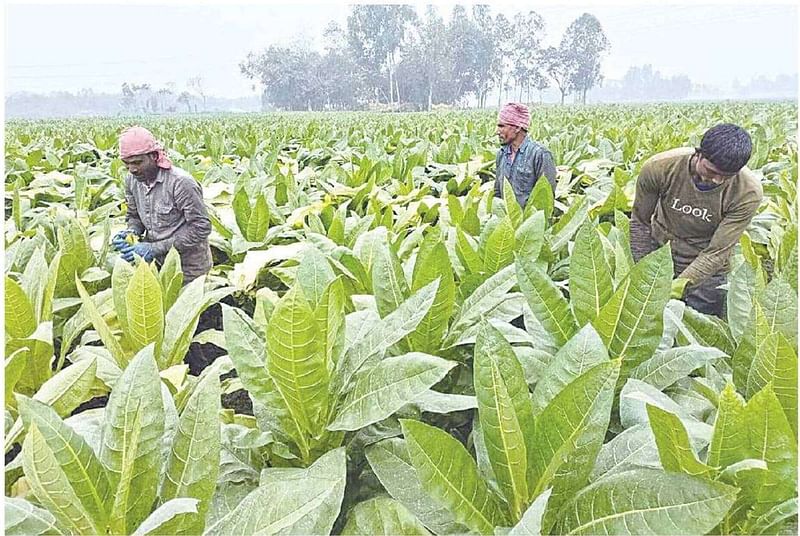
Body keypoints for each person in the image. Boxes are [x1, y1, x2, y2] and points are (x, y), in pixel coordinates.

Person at [630, 123, 763, 317]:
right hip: (659, 253)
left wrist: (675, 289)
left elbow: (716, 252)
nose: (717, 180)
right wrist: (644, 273)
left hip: (707, 270)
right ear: (699, 154)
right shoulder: (660, 167)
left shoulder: (747, 192)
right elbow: (640, 222)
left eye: (726, 176)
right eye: (711, 171)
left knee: (695, 328)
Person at [112, 126, 212, 284]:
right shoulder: (131, 181)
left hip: (189, 271)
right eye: (127, 164)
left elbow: (201, 227)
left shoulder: (180, 183)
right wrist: (132, 232)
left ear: (153, 156)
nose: (132, 169)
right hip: (155, 265)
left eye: (137, 162)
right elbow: (134, 216)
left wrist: (153, 249)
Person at [494, 102, 557, 208]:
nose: (497, 131)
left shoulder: (540, 155)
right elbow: (497, 193)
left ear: (517, 128)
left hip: (531, 221)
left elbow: (546, 197)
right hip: (507, 220)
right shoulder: (501, 154)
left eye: (501, 126)